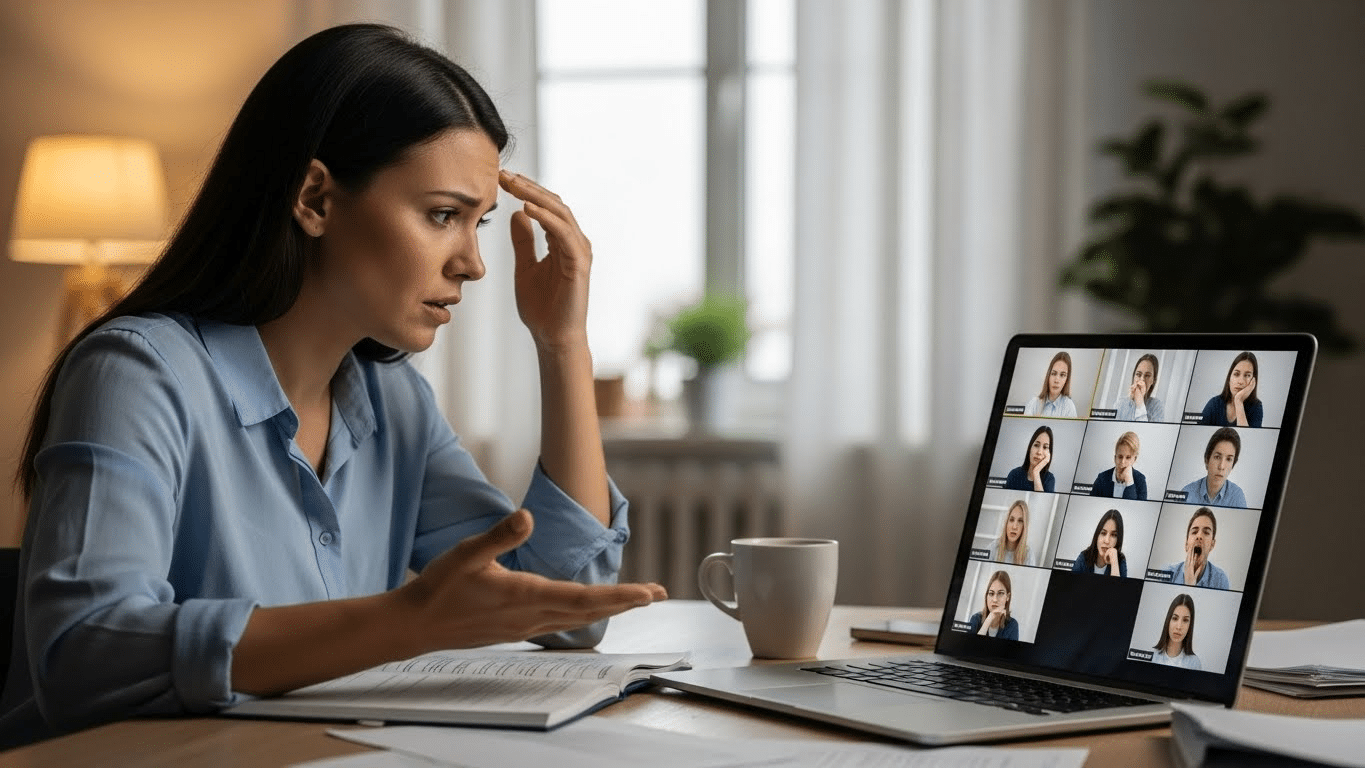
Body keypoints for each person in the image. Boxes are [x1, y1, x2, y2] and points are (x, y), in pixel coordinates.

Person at [0, 24, 667, 747]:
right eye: (443, 215)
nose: (472, 264)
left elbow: (565, 611)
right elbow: (82, 655)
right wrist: (404, 621)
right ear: (314, 197)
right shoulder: (136, 373)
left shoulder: (394, 402)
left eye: (480, 223)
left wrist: (561, 343)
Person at [1161, 508, 1230, 590]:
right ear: (1186, 544)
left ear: (1212, 544)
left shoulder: (1221, 580)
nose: (1199, 536)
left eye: (1206, 532)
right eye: (1194, 532)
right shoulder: (1166, 572)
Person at [1180, 427, 1248, 508]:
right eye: (1217, 457)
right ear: (1207, 460)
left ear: (1233, 465)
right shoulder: (1187, 492)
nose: (1221, 466)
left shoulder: (1237, 497)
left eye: (1229, 459)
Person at [1198, 352, 1263, 428]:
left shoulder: (1256, 407)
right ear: (1229, 378)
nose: (1240, 381)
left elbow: (1247, 436)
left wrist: (1238, 401)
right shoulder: (1214, 403)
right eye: (1236, 374)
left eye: (1247, 375)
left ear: (1253, 381)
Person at [1090, 431, 1148, 500]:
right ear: (1115, 458)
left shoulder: (1140, 480)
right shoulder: (1102, 478)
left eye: (1128, 457)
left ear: (1134, 459)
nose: (1123, 462)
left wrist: (1129, 483)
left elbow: (1136, 508)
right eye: (1120, 457)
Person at [1151, 593, 1202, 670]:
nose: (1179, 627)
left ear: (1190, 625)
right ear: (1168, 620)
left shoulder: (1194, 663)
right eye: (1175, 618)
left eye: (1185, 620)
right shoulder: (1152, 656)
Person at [1071, 509, 1127, 577]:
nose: (1106, 541)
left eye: (1113, 535)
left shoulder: (1120, 560)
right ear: (1097, 535)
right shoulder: (1084, 556)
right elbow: (1071, 584)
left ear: (1118, 539)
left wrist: (1114, 563)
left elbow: (1119, 587)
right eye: (1103, 533)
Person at [1023, 351, 1078, 418]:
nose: (1056, 380)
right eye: (1054, 373)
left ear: (1066, 379)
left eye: (1062, 375)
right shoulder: (1034, 403)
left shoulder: (1069, 407)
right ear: (1048, 375)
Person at [968, 570, 1020, 640]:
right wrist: (988, 620)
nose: (995, 599)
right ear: (987, 596)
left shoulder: (1012, 625)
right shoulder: (976, 619)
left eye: (1000, 593)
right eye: (991, 593)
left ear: (1007, 596)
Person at [1003, 425, 1055, 493]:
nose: (1039, 452)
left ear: (1049, 453)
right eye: (1036, 445)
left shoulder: (1049, 479)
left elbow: (1041, 503)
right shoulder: (1014, 474)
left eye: (1045, 447)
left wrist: (1036, 472)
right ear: (1030, 448)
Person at [1114, 353, 1164, 422]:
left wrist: (1140, 403)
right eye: (1138, 374)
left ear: (1153, 380)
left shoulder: (1157, 407)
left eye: (1147, 375)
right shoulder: (1120, 404)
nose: (1142, 379)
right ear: (1134, 376)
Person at [993, 500, 1033, 566]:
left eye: (1020, 521)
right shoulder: (993, 547)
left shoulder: (1028, 555)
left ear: (1024, 527)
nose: (1014, 527)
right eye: (1011, 520)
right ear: (1007, 523)